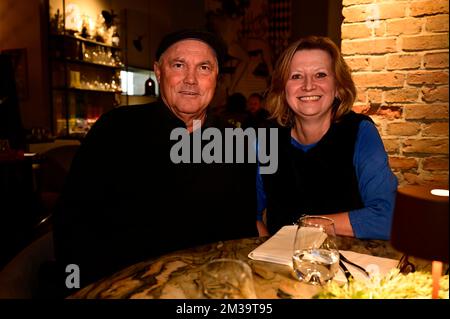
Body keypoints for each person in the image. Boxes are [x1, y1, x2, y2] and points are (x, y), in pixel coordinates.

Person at [53, 29, 257, 294]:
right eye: (179, 65)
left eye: (204, 68)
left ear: (216, 78)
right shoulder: (116, 129)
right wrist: (82, 287)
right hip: (124, 285)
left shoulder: (235, 141)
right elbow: (72, 222)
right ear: (159, 72)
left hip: (208, 287)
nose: (191, 80)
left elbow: (240, 229)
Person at [256, 36, 398, 240]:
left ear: (339, 86)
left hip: (350, 264)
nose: (308, 86)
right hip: (281, 267)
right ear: (282, 88)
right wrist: (268, 252)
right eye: (296, 76)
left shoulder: (360, 132)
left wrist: (307, 226)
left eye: (320, 75)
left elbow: (388, 217)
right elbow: (247, 213)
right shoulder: (265, 139)